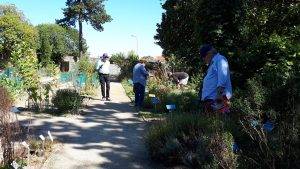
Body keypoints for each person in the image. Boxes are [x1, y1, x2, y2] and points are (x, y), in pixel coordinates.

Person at [199, 44, 232, 114]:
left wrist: (219, 97)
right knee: (211, 123)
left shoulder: (220, 59)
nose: (203, 59)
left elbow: (223, 78)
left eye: (203, 57)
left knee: (218, 123)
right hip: (211, 101)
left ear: (209, 53)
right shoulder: (213, 63)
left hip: (217, 100)